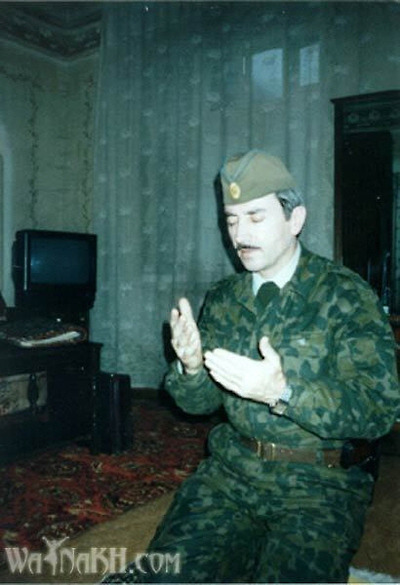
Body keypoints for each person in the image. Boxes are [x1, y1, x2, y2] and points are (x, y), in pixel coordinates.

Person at [108, 150, 400, 583]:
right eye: (231, 220)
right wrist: (191, 368)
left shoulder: (345, 296)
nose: (239, 235)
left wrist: (283, 392)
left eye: (255, 217)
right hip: (231, 473)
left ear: (295, 219)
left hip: (320, 485)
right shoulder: (224, 298)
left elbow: (379, 412)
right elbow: (198, 405)